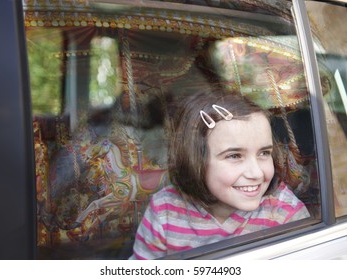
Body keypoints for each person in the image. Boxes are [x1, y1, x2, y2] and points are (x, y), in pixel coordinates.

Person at [129, 90, 310, 260]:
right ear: (195, 160)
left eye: (264, 153)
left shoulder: (284, 212)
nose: (256, 173)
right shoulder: (165, 212)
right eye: (234, 156)